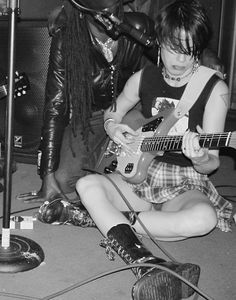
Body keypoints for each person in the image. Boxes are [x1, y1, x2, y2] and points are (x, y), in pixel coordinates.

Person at [36, 0, 233, 299]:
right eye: (172, 48)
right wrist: (114, 127)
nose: (179, 59)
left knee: (204, 219)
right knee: (87, 184)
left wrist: (201, 155)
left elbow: (211, 165)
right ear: (160, 43)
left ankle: (107, 224)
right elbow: (111, 112)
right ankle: (146, 262)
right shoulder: (144, 78)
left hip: (182, 181)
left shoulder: (215, 90)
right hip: (140, 175)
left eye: (189, 50)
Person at [16, 0, 223, 205]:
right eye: (103, 13)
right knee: (63, 179)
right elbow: (56, 105)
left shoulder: (138, 27)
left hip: (138, 110)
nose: (113, 19)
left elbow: (172, 45)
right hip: (94, 115)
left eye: (116, 9)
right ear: (86, 11)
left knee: (132, 148)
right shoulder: (67, 40)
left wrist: (206, 54)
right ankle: (112, 177)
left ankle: (126, 182)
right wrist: (48, 174)